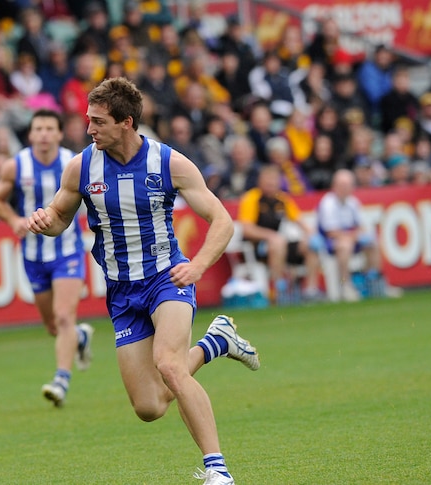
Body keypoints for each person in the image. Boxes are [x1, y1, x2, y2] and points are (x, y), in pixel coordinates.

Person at [26, 78, 259, 485]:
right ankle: (216, 342)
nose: (89, 129)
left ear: (126, 123)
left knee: (169, 366)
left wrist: (200, 265)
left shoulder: (170, 163)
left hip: (167, 278)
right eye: (87, 120)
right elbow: (60, 216)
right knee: (149, 407)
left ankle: (218, 470)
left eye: (98, 121)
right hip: (121, 290)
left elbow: (222, 220)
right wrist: (45, 221)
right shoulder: (81, 166)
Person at [0, 109, 94, 407]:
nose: (45, 134)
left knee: (64, 316)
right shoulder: (16, 166)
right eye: (39, 128)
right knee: (53, 325)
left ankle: (61, 380)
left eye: (51, 128)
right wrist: (13, 221)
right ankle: (80, 338)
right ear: (31, 134)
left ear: (60, 134)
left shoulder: (72, 163)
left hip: (68, 251)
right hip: (34, 255)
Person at [237, 165, 322, 303]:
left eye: (274, 179)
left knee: (308, 244)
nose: (271, 183)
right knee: (278, 241)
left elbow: (299, 220)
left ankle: (311, 290)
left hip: (279, 243)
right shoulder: (252, 198)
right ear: (260, 181)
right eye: (267, 179)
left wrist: (311, 234)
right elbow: (247, 229)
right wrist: (270, 235)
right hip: (257, 247)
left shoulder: (282, 199)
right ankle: (279, 290)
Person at [315, 169, 401, 301]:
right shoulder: (328, 203)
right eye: (342, 185)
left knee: (372, 243)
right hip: (331, 242)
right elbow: (331, 232)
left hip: (350, 237)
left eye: (348, 185)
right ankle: (345, 285)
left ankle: (376, 283)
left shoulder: (352, 202)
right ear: (335, 186)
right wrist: (351, 236)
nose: (345, 189)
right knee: (345, 247)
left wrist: (354, 236)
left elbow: (362, 226)